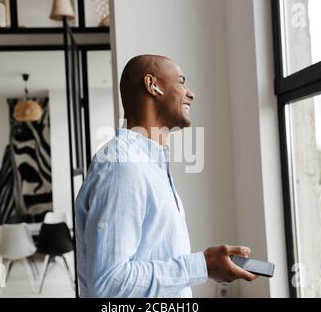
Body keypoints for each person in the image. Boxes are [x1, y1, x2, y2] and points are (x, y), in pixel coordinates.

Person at [75, 54, 258, 298]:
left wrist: (205, 266)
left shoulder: (148, 164)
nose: (190, 93)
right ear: (153, 85)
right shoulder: (123, 166)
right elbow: (109, 283)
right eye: (181, 82)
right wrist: (202, 265)